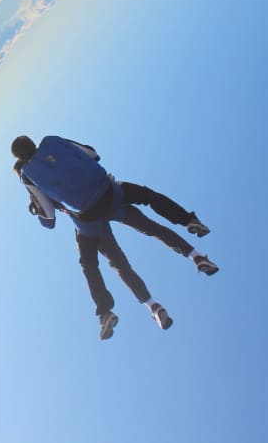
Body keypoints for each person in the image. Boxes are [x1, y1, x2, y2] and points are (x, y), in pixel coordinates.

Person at [12, 135, 218, 339]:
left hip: (88, 220)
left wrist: (36, 210)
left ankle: (132, 308)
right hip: (111, 194)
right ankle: (194, 245)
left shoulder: (28, 175)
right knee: (151, 216)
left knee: (103, 264)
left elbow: (48, 216)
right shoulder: (52, 141)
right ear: (31, 142)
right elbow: (92, 154)